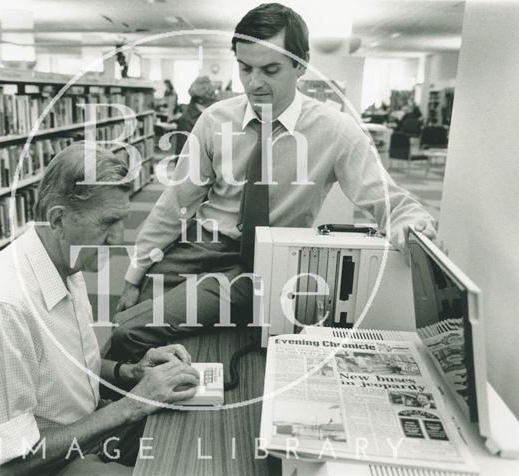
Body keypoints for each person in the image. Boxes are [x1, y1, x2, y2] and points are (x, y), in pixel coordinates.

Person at [110, 2, 438, 362]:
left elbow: (388, 199)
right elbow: (176, 203)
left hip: (263, 262)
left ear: (301, 64)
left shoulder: (335, 130)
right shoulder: (215, 119)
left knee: (131, 331)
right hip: (198, 246)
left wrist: (411, 223)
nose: (254, 82)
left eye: (270, 69)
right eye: (245, 68)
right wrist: (136, 271)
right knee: (124, 317)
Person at [0, 143, 200, 475]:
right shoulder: (2, 306)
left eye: (122, 220)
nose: (117, 238)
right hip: (34, 466)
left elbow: (67, 373)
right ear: (57, 219)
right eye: (108, 222)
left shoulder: (66, 263)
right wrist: (132, 405)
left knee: (192, 434)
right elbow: (4, 460)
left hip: (77, 435)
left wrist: (131, 372)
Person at [175, 76, 217, 155]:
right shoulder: (186, 120)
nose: (214, 97)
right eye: (210, 94)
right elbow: (183, 154)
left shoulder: (214, 112)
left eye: (214, 93)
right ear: (200, 99)